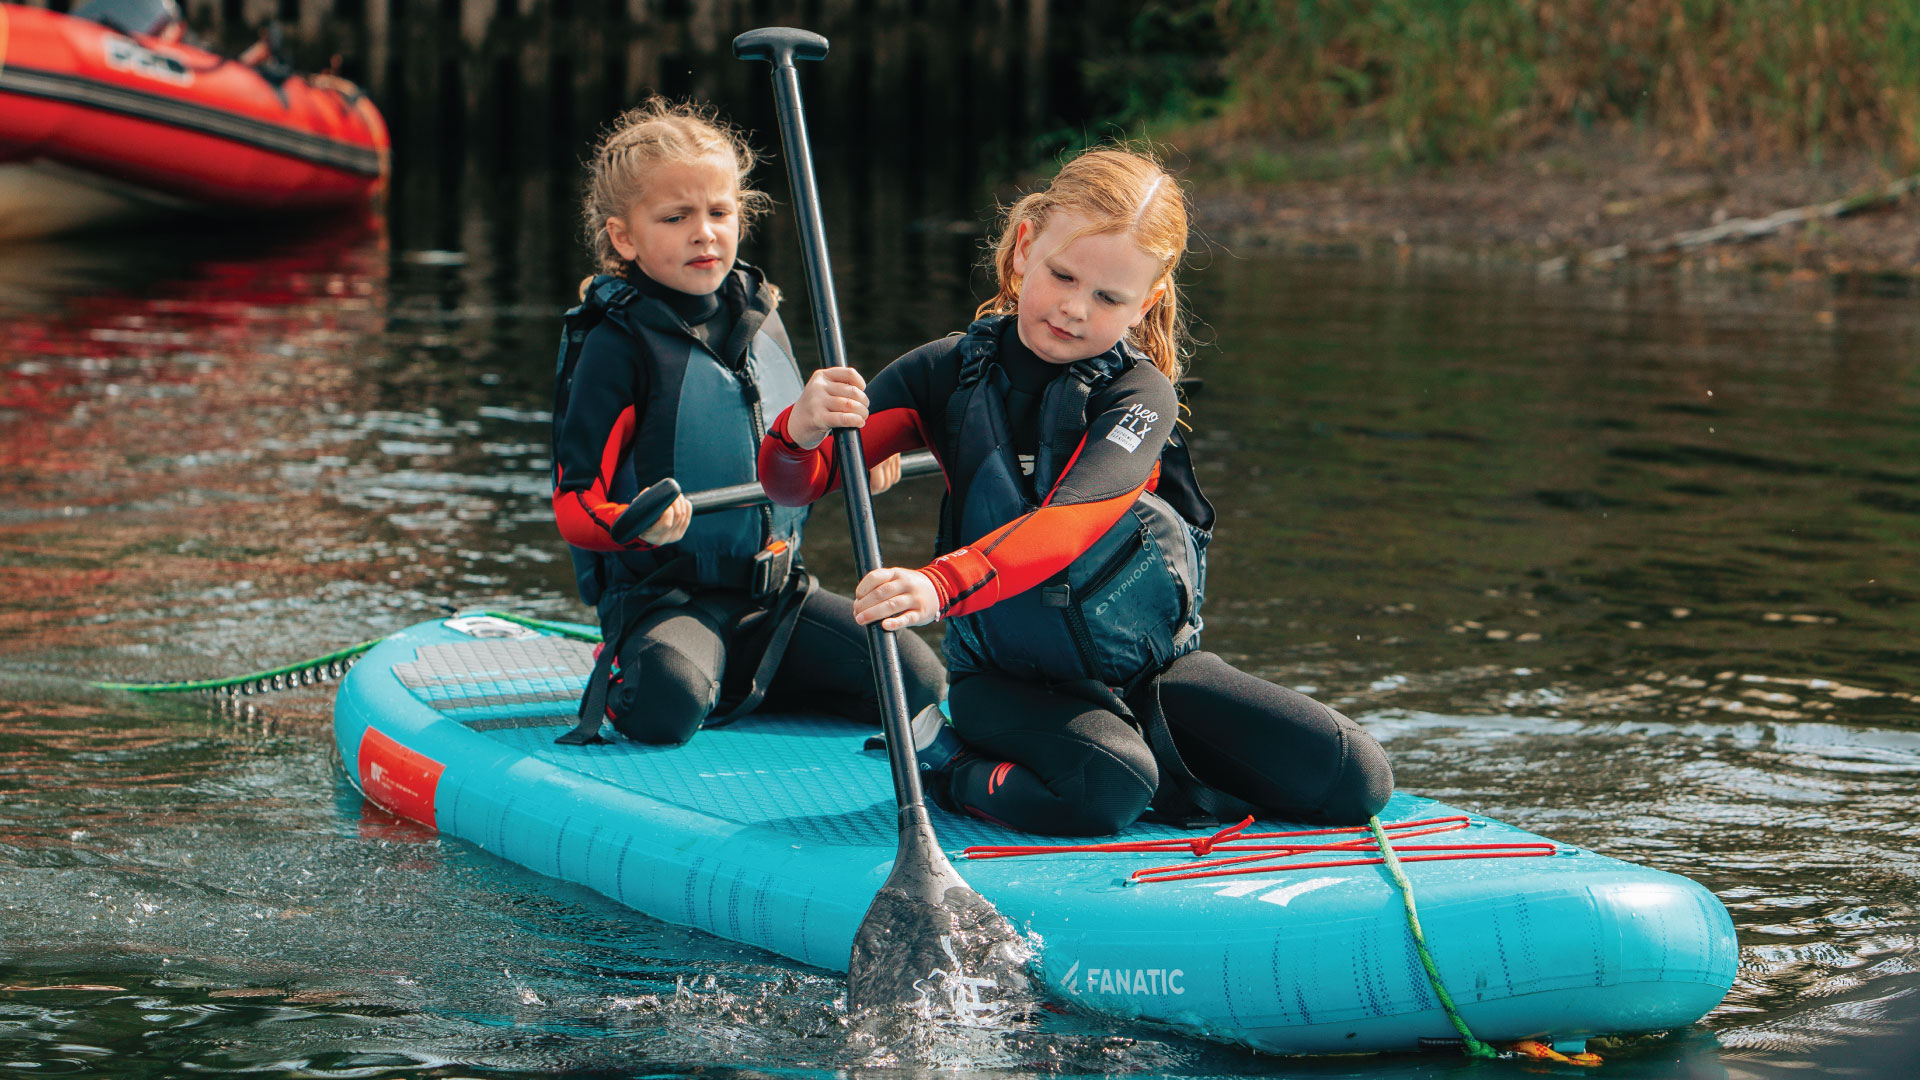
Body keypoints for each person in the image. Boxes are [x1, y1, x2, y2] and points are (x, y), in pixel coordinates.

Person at [758, 147, 1392, 836]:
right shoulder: (940, 374)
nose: (1072, 308)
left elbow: (1070, 523)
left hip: (1150, 679)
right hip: (1006, 685)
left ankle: (1151, 757)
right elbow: (799, 485)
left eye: (1108, 298)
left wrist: (941, 584)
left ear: (1144, 302)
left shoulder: (1139, 395)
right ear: (1026, 247)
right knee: (1109, 786)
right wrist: (801, 426)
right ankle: (947, 760)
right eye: (1063, 274)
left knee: (1354, 777)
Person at [551, 98, 944, 746]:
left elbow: (793, 465)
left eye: (718, 212)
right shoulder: (613, 347)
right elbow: (574, 505)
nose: (703, 232)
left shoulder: (759, 312)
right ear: (625, 236)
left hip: (778, 600)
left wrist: (854, 466)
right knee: (665, 709)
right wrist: (635, 526)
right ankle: (643, 668)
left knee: (918, 686)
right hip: (667, 600)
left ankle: (752, 676)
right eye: (675, 217)